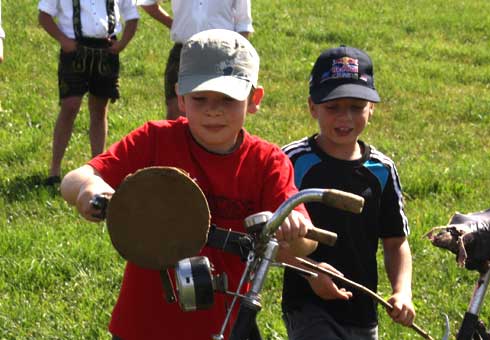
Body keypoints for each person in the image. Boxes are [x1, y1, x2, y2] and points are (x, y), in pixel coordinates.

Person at [60, 29, 317, 340]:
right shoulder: (155, 140)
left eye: (228, 99)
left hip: (226, 326)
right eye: (200, 98)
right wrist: (90, 189)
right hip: (144, 325)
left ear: (254, 99)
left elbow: (305, 243)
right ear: (180, 97)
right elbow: (74, 179)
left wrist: (293, 230)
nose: (213, 109)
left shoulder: (266, 161)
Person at [281, 46, 415, 340]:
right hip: (307, 305)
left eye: (356, 106)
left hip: (363, 309)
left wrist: (402, 291)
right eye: (333, 107)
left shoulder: (381, 169)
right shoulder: (292, 160)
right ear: (312, 107)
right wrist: (310, 271)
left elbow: (395, 243)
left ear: (372, 109)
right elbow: (272, 237)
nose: (345, 117)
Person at [38, 0, 139, 185]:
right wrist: (63, 41)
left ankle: (97, 168)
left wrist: (122, 43)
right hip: (74, 50)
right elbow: (44, 15)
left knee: (99, 109)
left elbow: (132, 16)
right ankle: (54, 170)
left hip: (106, 51)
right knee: (70, 106)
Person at [136, 0, 254, 120]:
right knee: (176, 110)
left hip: (222, 54)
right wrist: (176, 25)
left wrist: (235, 56)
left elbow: (243, 24)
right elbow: (148, 4)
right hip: (184, 50)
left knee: (218, 110)